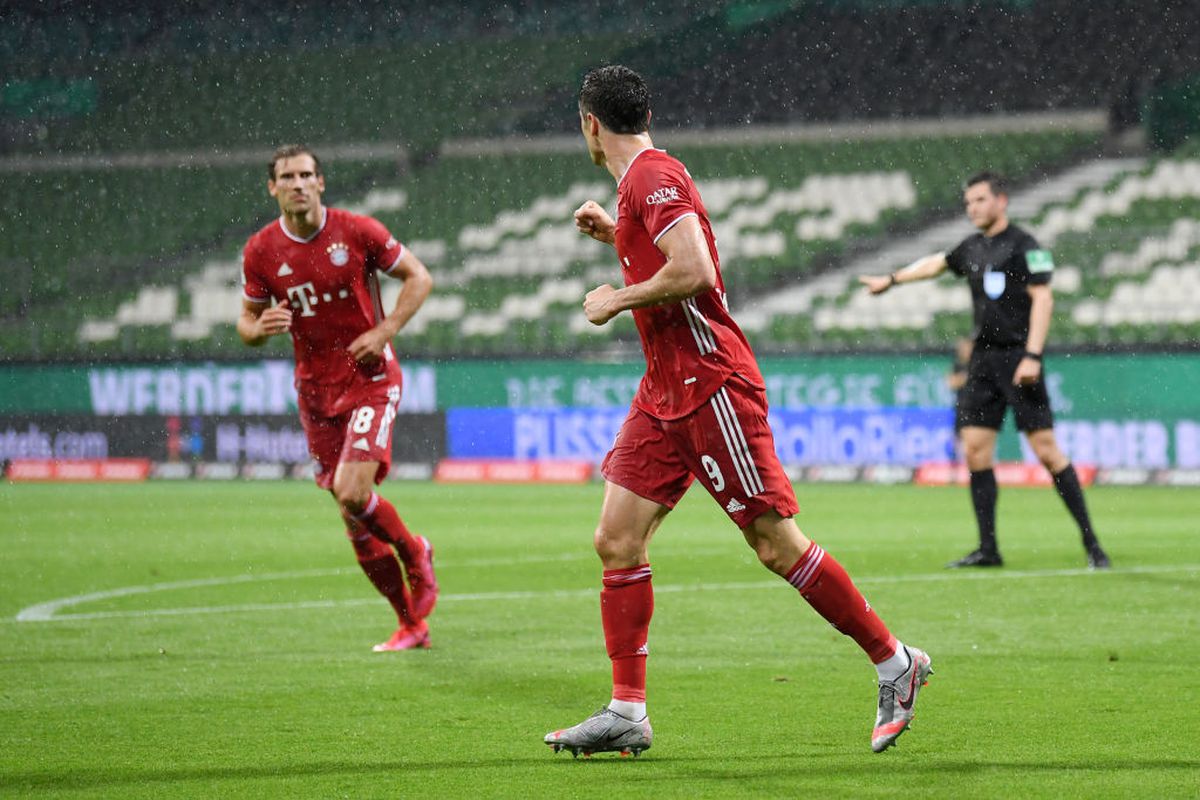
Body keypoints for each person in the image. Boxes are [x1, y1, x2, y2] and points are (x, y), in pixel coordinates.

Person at [543, 65, 931, 758]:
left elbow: (693, 271)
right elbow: (673, 258)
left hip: (710, 386)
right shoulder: (637, 188)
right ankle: (627, 711)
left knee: (774, 543)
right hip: (663, 391)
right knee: (617, 539)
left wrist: (614, 297)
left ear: (590, 126)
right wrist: (618, 238)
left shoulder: (650, 176)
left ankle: (896, 662)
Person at [237, 144, 440, 651]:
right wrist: (259, 329)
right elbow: (245, 321)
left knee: (352, 492)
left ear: (321, 183)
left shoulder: (357, 231)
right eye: (288, 176)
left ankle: (415, 551)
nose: (298, 183)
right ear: (273, 187)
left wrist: (386, 330)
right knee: (353, 520)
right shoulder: (261, 251)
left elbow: (420, 276)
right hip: (315, 392)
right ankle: (410, 623)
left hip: (370, 378)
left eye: (307, 174)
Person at [859, 171, 1110, 570]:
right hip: (983, 361)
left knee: (1046, 452)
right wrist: (891, 281)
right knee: (975, 450)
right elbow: (937, 264)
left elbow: (1043, 300)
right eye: (968, 203)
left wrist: (1033, 355)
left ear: (1001, 200)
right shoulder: (972, 248)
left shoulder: (1026, 246)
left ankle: (1093, 544)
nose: (972, 208)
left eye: (979, 200)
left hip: (1019, 357)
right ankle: (988, 549)